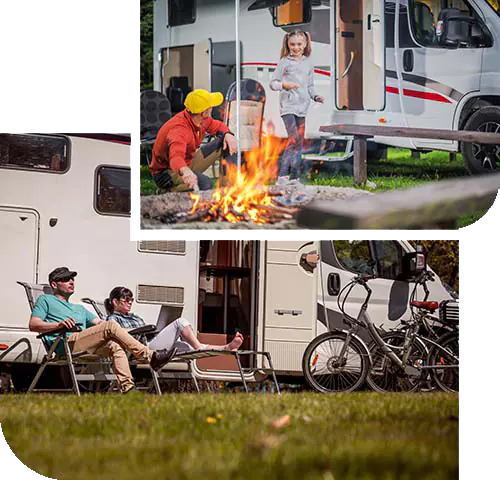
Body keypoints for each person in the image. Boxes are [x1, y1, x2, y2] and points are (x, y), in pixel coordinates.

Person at [29, 267, 178, 394]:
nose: (71, 282)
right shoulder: (46, 300)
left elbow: (100, 323)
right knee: (110, 325)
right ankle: (151, 357)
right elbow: (33, 324)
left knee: (115, 346)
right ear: (54, 284)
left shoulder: (79, 308)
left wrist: (135, 330)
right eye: (66, 279)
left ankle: (128, 388)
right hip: (64, 342)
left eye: (72, 279)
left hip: (83, 343)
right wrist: (58, 325)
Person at [149, 89, 239, 192]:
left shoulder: (200, 119)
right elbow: (176, 158)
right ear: (204, 112)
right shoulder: (179, 130)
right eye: (210, 106)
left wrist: (228, 134)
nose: (212, 107)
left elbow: (217, 125)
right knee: (205, 184)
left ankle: (228, 192)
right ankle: (168, 190)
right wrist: (186, 171)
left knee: (225, 143)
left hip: (188, 162)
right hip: (168, 172)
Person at [104, 286, 244, 353]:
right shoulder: (112, 319)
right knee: (180, 322)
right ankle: (200, 346)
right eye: (126, 299)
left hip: (151, 341)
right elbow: (117, 332)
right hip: (142, 349)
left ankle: (226, 348)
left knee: (189, 347)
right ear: (115, 302)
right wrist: (140, 330)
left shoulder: (135, 316)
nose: (130, 302)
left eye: (131, 300)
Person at [270, 30, 324, 186]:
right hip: (288, 107)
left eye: (299, 44)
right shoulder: (284, 62)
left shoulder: (308, 63)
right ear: (288, 44)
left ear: (305, 44)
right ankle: (282, 176)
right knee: (293, 139)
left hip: (302, 108)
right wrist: (284, 85)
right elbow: (273, 83)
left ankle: (295, 178)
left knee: (299, 143)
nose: (296, 47)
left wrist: (315, 96)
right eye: (292, 44)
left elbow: (310, 85)